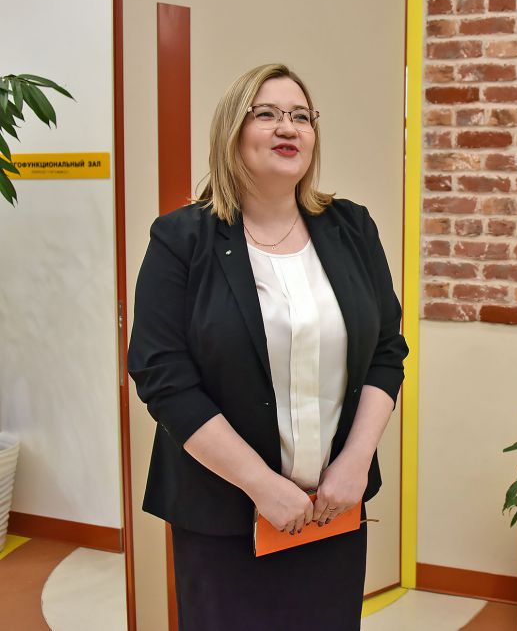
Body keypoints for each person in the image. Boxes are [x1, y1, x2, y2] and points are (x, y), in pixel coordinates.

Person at [127, 63, 408, 630]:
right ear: (232, 131)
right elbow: (163, 377)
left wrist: (354, 463)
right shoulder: (182, 238)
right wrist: (262, 485)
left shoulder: (352, 228)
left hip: (333, 506)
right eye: (267, 114)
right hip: (222, 515)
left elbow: (387, 350)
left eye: (301, 116)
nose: (288, 127)